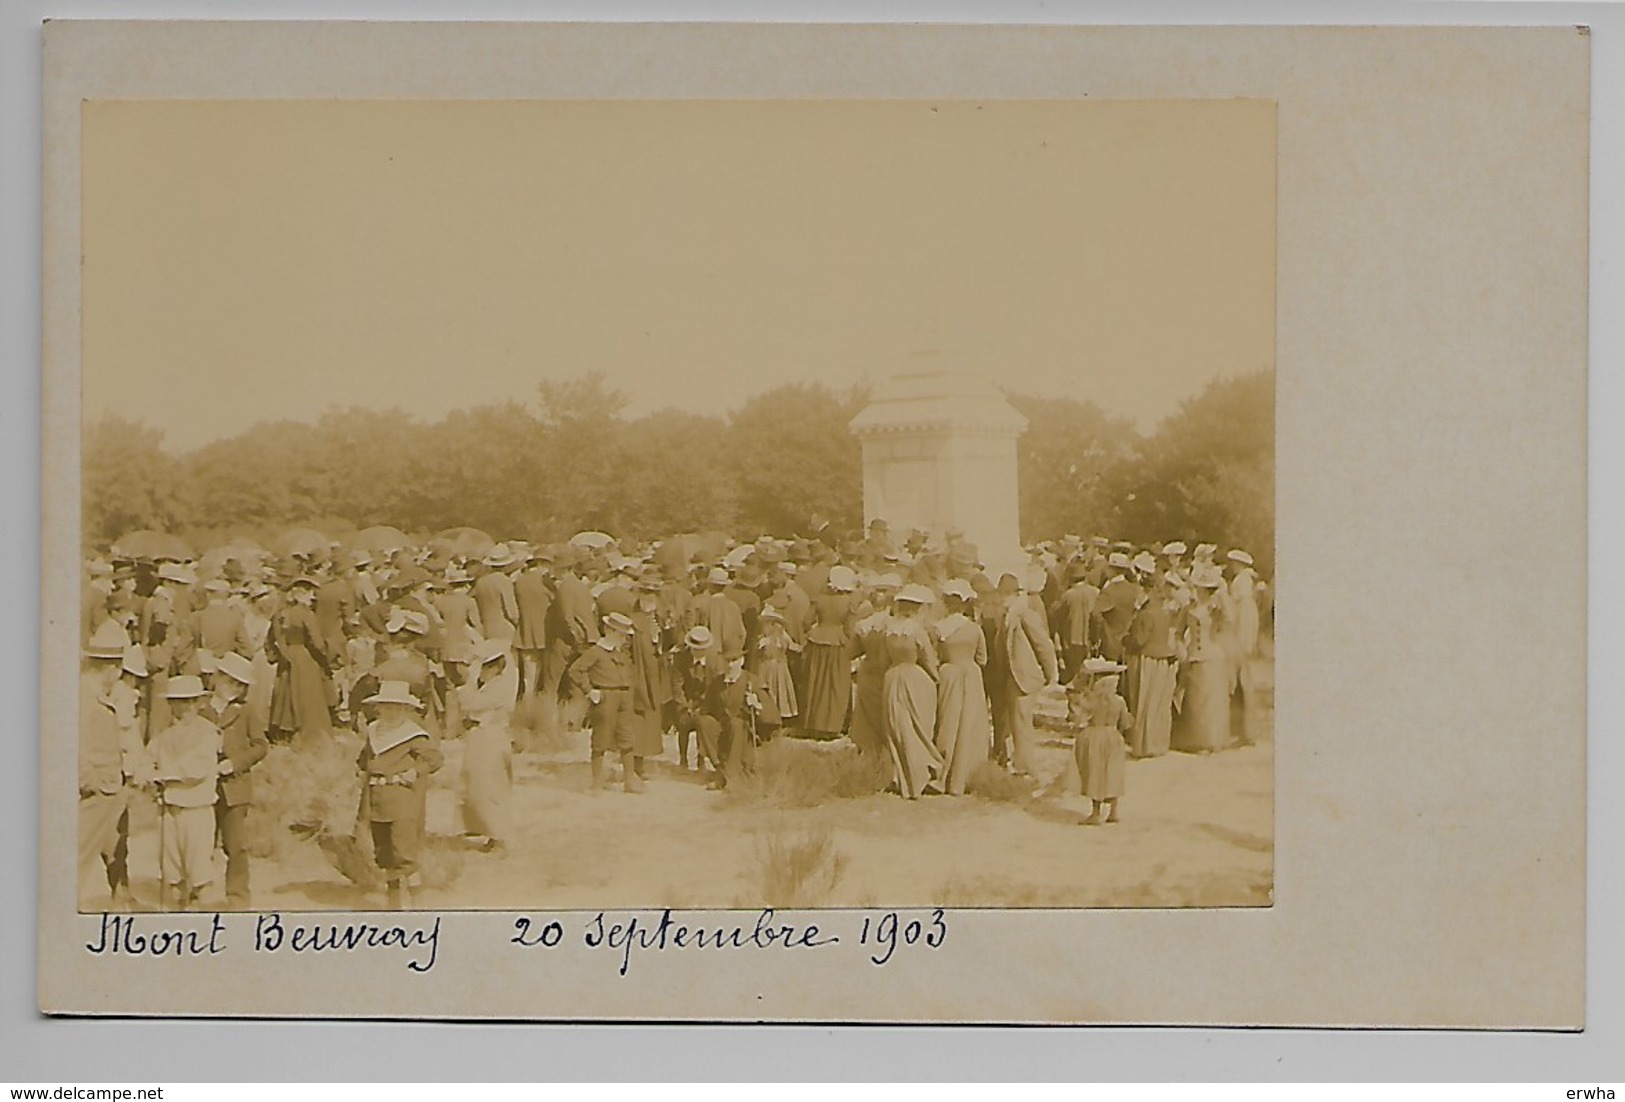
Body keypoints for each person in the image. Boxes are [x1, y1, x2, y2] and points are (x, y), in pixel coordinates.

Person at [357, 680, 444, 909]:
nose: (392, 711)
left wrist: (415, 772)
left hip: (403, 800)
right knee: (384, 853)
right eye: (387, 706)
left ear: (406, 709)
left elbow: (435, 759)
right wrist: (363, 769)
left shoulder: (413, 735)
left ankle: (417, 904)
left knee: (404, 851)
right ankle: (393, 904)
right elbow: (365, 757)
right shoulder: (374, 730)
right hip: (378, 800)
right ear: (378, 707)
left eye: (397, 707)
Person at [79, 621, 145, 910]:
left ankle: (121, 895)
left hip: (110, 785)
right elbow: (76, 742)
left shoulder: (98, 695)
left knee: (113, 844)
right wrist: (87, 780)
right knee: (79, 853)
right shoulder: (85, 696)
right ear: (110, 668)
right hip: (96, 789)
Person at [148, 675, 223, 910]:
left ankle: (207, 920)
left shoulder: (208, 733)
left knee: (200, 872)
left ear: (200, 703)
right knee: (171, 873)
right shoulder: (164, 734)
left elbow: (197, 769)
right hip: (169, 810)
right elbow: (146, 760)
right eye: (181, 701)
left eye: (193, 701)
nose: (188, 707)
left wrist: (162, 774)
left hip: (197, 810)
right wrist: (147, 775)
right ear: (171, 704)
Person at [207, 653, 267, 908]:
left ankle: (237, 896)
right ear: (217, 678)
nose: (234, 688)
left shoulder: (246, 712)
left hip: (235, 788)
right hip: (202, 787)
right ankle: (199, 893)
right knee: (201, 845)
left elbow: (260, 746)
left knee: (236, 845)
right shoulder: (200, 707)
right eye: (229, 681)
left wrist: (235, 763)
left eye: (239, 685)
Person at [991, 572, 1059, 777]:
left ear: (1016, 594)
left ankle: (1026, 768)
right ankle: (1018, 762)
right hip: (1011, 676)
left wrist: (1051, 674)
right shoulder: (1005, 616)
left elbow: (1043, 646)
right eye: (1001, 593)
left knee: (1022, 723)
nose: (1003, 597)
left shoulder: (1025, 615)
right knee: (1014, 722)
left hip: (1024, 676)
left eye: (1008, 593)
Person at [569, 612, 643, 793]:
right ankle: (597, 783)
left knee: (627, 739)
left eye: (625, 635)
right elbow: (575, 670)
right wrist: (589, 691)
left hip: (624, 696)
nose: (624, 639)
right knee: (601, 740)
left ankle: (629, 782)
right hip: (605, 697)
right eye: (620, 634)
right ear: (609, 630)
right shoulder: (595, 652)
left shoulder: (620, 652)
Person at [881, 584, 944, 799]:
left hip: (892, 677)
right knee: (918, 728)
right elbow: (927, 658)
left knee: (898, 728)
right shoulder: (917, 631)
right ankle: (920, 775)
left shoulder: (889, 630)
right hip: (915, 679)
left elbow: (884, 657)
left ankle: (901, 776)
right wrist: (936, 678)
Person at [931, 578, 991, 796]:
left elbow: (934, 656)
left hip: (949, 673)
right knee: (970, 724)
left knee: (948, 723)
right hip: (971, 675)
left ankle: (944, 775)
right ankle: (965, 776)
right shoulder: (974, 629)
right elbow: (982, 659)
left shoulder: (939, 628)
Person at [458, 638, 518, 854]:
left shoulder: (499, 687)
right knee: (475, 784)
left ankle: (499, 836)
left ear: (494, 667)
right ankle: (486, 830)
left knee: (490, 786)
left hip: (491, 738)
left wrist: (470, 681)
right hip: (480, 737)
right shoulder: (489, 685)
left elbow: (468, 703)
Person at [1171, 570, 1233, 754]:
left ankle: (1213, 741)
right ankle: (1196, 740)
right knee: (1196, 702)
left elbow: (1231, 619)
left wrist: (1223, 595)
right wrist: (1181, 651)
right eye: (1202, 588)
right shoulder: (1189, 608)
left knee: (1212, 702)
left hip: (1213, 655)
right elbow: (1178, 633)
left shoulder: (1216, 610)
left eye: (1209, 588)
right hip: (1194, 656)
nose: (1205, 591)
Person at [266, 576, 334, 742]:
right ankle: (309, 731)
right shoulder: (306, 614)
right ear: (300, 595)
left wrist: (277, 654)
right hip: (304, 657)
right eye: (310, 593)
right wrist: (326, 657)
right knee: (307, 695)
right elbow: (317, 643)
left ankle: (283, 730)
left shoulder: (279, 614)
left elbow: (269, 640)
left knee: (285, 692)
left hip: (286, 657)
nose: (312, 597)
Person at [1068, 658, 1133, 825]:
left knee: (1095, 774)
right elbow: (1125, 723)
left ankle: (1096, 812)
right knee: (1113, 774)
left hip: (1094, 737)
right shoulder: (1119, 701)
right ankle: (1113, 811)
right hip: (1113, 737)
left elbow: (1078, 716)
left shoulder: (1091, 700)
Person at [1127, 571, 1182, 758]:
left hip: (1148, 660)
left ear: (1147, 592)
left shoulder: (1146, 615)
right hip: (1163, 660)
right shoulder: (1164, 613)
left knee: (1145, 702)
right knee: (1159, 703)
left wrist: (1125, 640)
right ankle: (1158, 743)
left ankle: (1145, 745)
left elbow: (1139, 640)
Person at [801, 564, 858, 738]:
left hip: (817, 639)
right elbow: (851, 629)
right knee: (836, 684)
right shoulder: (849, 602)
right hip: (838, 642)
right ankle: (833, 725)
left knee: (816, 682)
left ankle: (813, 723)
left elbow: (806, 622)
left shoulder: (819, 599)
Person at [752, 606, 799, 735]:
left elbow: (794, 647)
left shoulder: (782, 636)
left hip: (780, 668)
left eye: (769, 624)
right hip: (766, 669)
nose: (766, 627)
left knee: (780, 692)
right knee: (770, 692)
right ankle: (770, 718)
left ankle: (780, 718)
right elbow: (757, 651)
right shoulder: (762, 639)